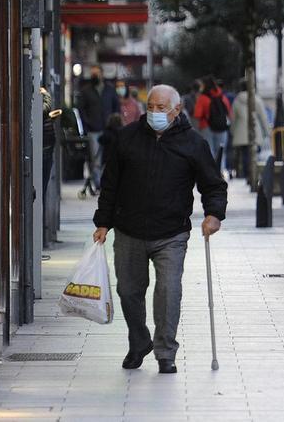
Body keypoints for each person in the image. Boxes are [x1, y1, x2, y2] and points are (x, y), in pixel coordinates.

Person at [92, 84, 228, 374]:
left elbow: (213, 184)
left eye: (161, 108)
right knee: (128, 291)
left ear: (177, 110)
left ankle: (166, 351)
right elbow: (110, 184)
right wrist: (103, 222)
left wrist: (214, 215)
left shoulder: (193, 143)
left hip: (171, 233)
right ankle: (139, 341)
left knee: (168, 291)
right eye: (151, 106)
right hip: (129, 229)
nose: (154, 112)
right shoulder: (127, 138)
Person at [77, 65, 119, 187]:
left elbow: (116, 107)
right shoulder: (86, 91)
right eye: (92, 73)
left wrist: (114, 123)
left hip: (109, 130)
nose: (94, 76)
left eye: (96, 73)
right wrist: (87, 123)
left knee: (110, 157)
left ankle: (107, 181)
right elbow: (81, 110)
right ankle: (98, 184)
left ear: (102, 74)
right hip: (93, 129)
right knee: (96, 159)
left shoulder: (110, 90)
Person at [193, 76, 232, 165]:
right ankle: (220, 172)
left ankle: (211, 175)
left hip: (206, 127)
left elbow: (197, 114)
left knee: (209, 152)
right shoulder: (222, 96)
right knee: (221, 152)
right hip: (222, 127)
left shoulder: (202, 98)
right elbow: (229, 111)